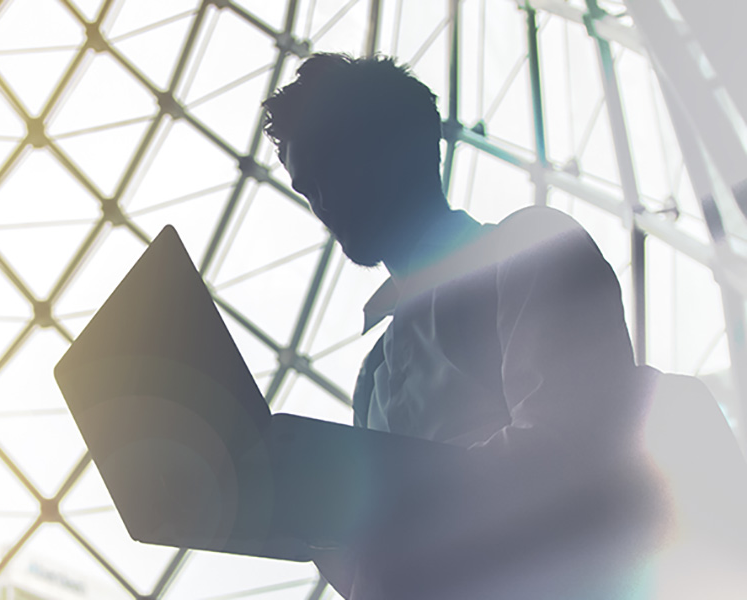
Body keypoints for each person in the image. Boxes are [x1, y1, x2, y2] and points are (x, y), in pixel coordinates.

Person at [262, 53, 667, 599]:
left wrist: (368, 502)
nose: (322, 205)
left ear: (402, 144)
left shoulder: (528, 248)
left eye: (332, 166)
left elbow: (569, 454)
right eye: (306, 188)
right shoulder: (373, 372)